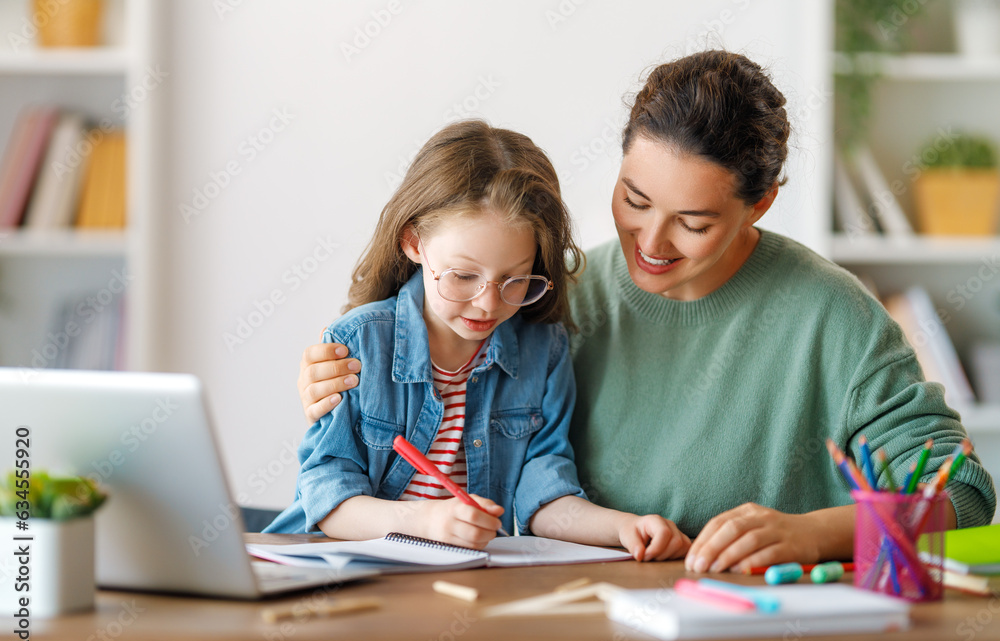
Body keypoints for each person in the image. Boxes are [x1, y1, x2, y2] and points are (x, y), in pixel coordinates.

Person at [295, 51, 996, 573]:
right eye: (633, 198)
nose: (650, 243)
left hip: (759, 626)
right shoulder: (547, 297)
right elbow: (429, 353)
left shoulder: (831, 315)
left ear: (760, 205)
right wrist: (331, 379)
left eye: (692, 221)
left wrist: (817, 532)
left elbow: (963, 496)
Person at [267, 120, 691, 561]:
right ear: (414, 242)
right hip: (331, 571)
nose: (487, 304)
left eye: (514, 279)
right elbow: (326, 499)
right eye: (464, 275)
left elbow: (543, 494)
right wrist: (426, 521)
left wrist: (624, 526)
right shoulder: (359, 343)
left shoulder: (543, 351)